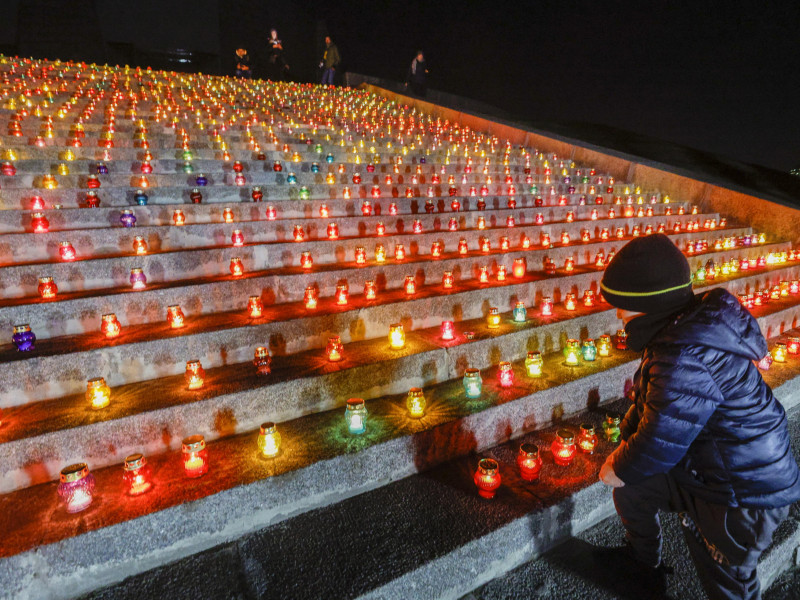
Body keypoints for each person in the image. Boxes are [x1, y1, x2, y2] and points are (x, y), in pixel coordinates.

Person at [597, 233, 800, 600]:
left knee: (726, 579)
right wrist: (626, 441)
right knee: (634, 491)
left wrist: (619, 465)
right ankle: (643, 565)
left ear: (649, 304)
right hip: (711, 466)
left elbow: (659, 442)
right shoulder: (679, 332)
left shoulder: (683, 356)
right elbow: (656, 406)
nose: (617, 314)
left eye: (623, 305)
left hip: (743, 493)